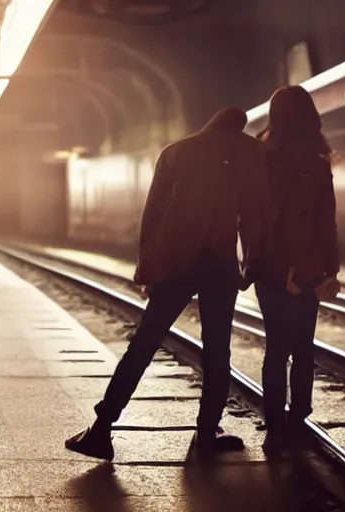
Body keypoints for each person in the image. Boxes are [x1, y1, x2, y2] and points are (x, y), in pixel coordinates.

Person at [66, 107, 272, 460]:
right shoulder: (250, 152)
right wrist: (249, 265)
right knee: (217, 350)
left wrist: (146, 269)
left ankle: (102, 429)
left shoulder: (177, 151)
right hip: (220, 263)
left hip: (177, 263)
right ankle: (207, 432)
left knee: (144, 343)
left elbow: (154, 215)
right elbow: (256, 213)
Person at [255, 86, 341, 452]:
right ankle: (299, 414)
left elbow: (257, 217)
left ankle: (275, 422)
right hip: (307, 267)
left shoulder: (260, 158)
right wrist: (329, 270)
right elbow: (326, 223)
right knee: (303, 346)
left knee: (276, 346)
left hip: (269, 266)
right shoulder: (318, 165)